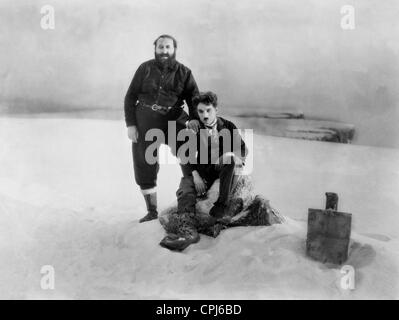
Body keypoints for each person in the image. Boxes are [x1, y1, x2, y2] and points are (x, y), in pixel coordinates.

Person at [124, 34, 200, 223]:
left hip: (173, 118)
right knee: (144, 161)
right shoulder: (144, 69)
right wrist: (131, 125)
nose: (164, 51)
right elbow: (130, 97)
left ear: (174, 49)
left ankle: (192, 201)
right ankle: (151, 211)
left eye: (168, 47)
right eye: (161, 47)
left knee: (188, 152)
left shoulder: (185, 72)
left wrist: (194, 121)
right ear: (155, 49)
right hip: (145, 119)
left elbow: (194, 100)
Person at [160, 91, 248, 250]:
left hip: (221, 171)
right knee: (185, 188)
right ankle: (188, 232)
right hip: (202, 171)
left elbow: (243, 150)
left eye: (208, 110)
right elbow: (184, 154)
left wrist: (232, 155)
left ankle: (221, 205)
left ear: (216, 109)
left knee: (230, 158)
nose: (205, 115)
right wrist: (195, 175)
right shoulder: (194, 128)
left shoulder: (228, 126)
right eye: (200, 111)